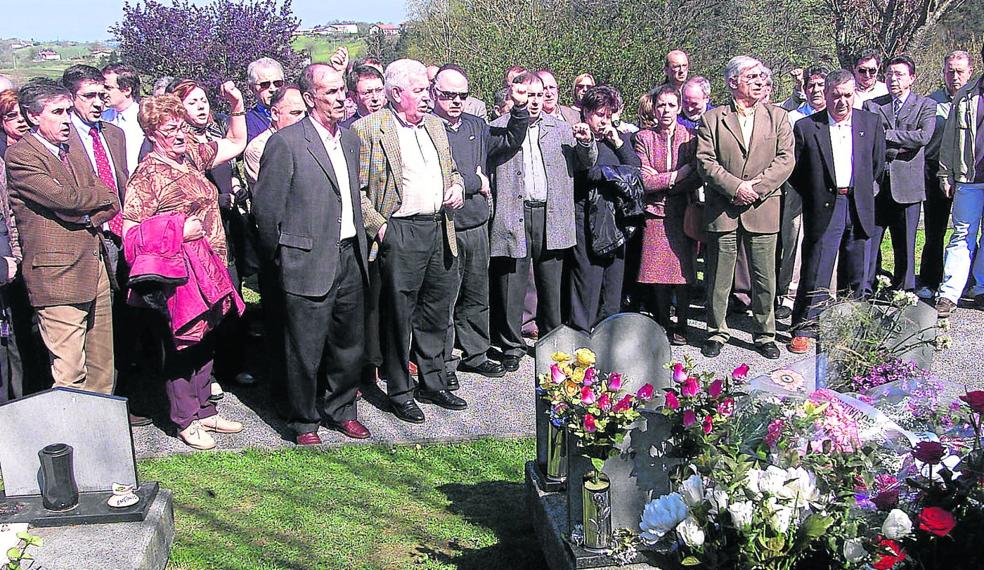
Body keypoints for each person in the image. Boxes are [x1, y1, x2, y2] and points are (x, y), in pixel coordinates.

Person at [123, 86, 247, 449]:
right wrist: (177, 229)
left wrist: (236, 106)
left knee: (206, 341)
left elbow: (236, 142)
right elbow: (130, 230)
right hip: (177, 277)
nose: (178, 135)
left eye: (181, 127)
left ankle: (206, 409)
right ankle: (185, 418)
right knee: (181, 346)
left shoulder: (190, 154)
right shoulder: (148, 175)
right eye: (169, 130)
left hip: (210, 269)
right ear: (151, 135)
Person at [253, 64, 370, 444]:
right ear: (309, 98)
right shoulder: (286, 143)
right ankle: (304, 421)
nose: (341, 98)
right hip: (306, 260)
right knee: (304, 347)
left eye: (342, 91)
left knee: (349, 343)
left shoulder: (350, 141)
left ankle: (341, 410)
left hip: (350, 255)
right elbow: (266, 213)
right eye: (331, 92)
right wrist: (285, 258)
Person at [353, 58, 467, 424]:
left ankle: (433, 382)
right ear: (396, 93)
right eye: (420, 90)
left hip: (439, 227)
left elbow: (452, 169)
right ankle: (400, 391)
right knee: (398, 316)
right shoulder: (369, 129)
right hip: (399, 231)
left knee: (436, 310)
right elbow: (355, 191)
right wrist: (380, 228)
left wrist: (458, 187)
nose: (427, 97)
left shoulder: (435, 124)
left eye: (427, 89)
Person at [5, 81, 120, 394]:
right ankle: (71, 439)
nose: (68, 119)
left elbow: (110, 197)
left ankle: (100, 436)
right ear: (32, 116)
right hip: (56, 276)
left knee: (102, 366)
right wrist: (81, 204)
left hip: (94, 266)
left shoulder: (72, 150)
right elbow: (62, 198)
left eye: (69, 110)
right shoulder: (21, 156)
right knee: (70, 369)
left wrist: (83, 213)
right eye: (58, 112)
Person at [489, 72, 595, 369]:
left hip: (551, 214)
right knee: (513, 282)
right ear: (515, 95)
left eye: (540, 95)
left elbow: (586, 163)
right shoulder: (497, 129)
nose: (535, 101)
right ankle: (511, 345)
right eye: (529, 95)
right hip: (513, 214)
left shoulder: (562, 129)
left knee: (551, 285)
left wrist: (587, 144)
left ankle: (551, 342)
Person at [431, 64, 529, 382]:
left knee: (476, 295)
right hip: (442, 226)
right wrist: (476, 180)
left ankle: (475, 353)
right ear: (434, 93)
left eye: (462, 95)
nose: (456, 101)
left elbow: (511, 140)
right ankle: (442, 363)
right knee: (444, 299)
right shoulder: (427, 127)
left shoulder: (476, 124)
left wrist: (519, 106)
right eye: (448, 95)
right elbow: (443, 179)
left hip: (476, 225)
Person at [696, 55, 795, 360]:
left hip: (764, 206)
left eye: (761, 77)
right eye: (751, 77)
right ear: (732, 82)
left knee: (765, 276)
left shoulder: (778, 117)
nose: (759, 81)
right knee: (718, 276)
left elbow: (785, 159)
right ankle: (716, 331)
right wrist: (735, 187)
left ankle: (764, 333)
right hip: (723, 207)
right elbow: (705, 161)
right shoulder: (712, 118)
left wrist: (755, 188)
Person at [788, 69, 885, 353]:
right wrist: (816, 194)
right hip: (825, 204)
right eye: (836, 96)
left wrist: (861, 190)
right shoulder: (807, 127)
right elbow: (797, 173)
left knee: (857, 270)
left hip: (859, 203)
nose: (842, 102)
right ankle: (804, 327)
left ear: (854, 94)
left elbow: (876, 165)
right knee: (817, 268)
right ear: (825, 95)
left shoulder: (872, 123)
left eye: (847, 95)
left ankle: (848, 328)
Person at [169, 79, 255, 391]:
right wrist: (218, 199)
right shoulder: (179, 147)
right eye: (192, 102)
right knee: (204, 303)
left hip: (226, 230)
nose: (202, 106)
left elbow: (235, 147)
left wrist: (236, 189)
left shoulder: (213, 137)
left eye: (204, 100)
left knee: (232, 297)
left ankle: (233, 364)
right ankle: (209, 374)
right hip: (196, 236)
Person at [568, 85, 641, 331]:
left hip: (615, 221)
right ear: (586, 112)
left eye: (609, 116)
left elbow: (635, 170)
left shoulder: (616, 140)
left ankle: (608, 337)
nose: (604, 121)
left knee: (613, 285)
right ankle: (581, 336)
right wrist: (617, 175)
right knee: (588, 281)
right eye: (600, 115)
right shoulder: (579, 138)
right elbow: (588, 172)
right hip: (586, 217)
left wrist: (619, 143)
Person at [633, 86, 700, 345]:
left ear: (679, 108)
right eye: (661, 105)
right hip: (655, 215)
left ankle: (682, 324)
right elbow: (645, 182)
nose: (666, 110)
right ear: (654, 108)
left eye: (671, 105)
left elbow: (695, 177)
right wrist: (677, 175)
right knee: (657, 275)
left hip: (683, 213)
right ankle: (661, 324)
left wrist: (670, 179)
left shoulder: (690, 137)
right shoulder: (643, 138)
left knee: (683, 274)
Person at [863, 55, 936, 292]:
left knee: (905, 243)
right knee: (870, 242)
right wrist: (900, 140)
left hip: (908, 186)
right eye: (890, 74)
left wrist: (887, 135)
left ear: (911, 78)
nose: (893, 79)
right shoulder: (873, 105)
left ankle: (904, 291)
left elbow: (922, 137)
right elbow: (869, 139)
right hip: (877, 184)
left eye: (899, 74)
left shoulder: (925, 105)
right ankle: (867, 288)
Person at [917, 50, 975, 300]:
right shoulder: (931, 102)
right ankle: (930, 279)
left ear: (970, 72)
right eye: (950, 71)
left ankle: (969, 281)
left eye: (960, 71)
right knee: (934, 230)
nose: (955, 76)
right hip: (934, 173)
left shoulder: (975, 100)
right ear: (943, 72)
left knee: (969, 231)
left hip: (967, 173)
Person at [934, 43, 984, 318]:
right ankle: (949, 293)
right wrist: (945, 173)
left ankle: (980, 288)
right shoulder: (965, 95)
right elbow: (950, 140)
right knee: (962, 234)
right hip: (969, 178)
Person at [776, 67, 827, 319]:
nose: (816, 90)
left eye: (821, 85)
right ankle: (789, 295)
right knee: (794, 239)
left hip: (829, 189)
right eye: (812, 85)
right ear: (804, 89)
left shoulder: (837, 116)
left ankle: (825, 294)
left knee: (826, 242)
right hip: (797, 187)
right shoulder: (792, 117)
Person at [244, 85, 306, 184]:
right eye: (295, 113)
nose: (302, 118)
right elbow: (271, 191)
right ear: (275, 114)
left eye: (305, 114)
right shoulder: (258, 149)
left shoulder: (309, 140)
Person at [102, 64, 145, 175]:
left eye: (108, 88)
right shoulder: (102, 118)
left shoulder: (144, 119)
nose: (103, 93)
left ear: (126, 90)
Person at [245, 57, 285, 142]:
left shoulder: (298, 115)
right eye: (265, 85)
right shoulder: (247, 124)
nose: (272, 89)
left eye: (277, 83)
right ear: (252, 88)